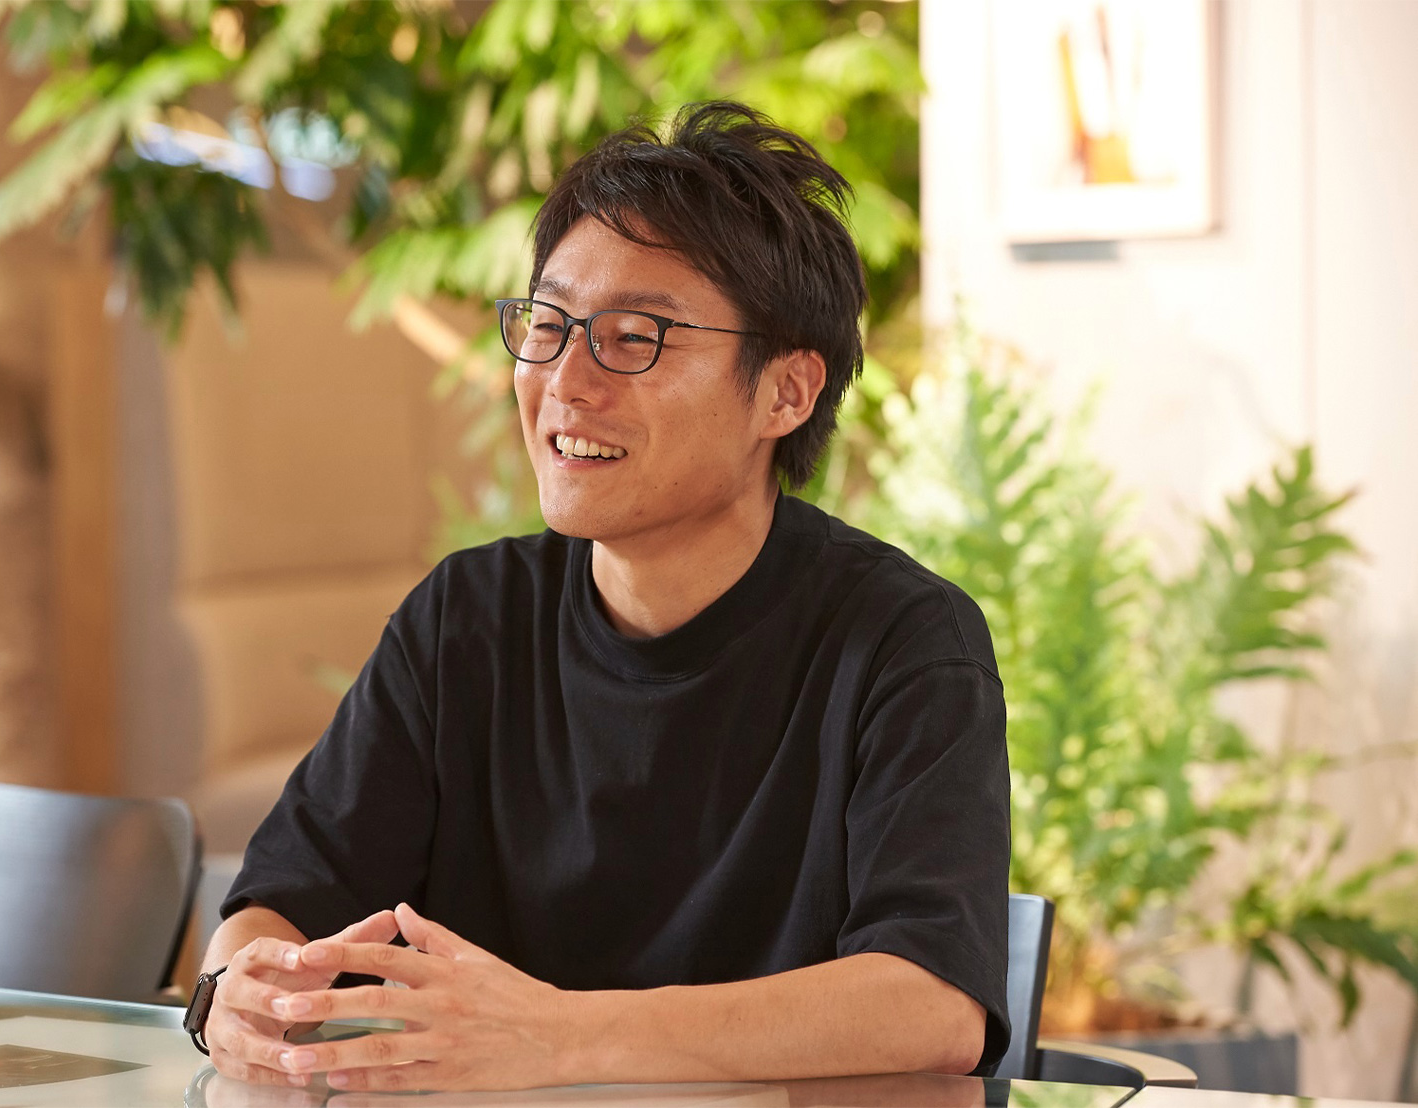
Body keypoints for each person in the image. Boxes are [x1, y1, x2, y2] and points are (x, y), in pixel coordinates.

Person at [195, 101, 1011, 1093]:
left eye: (635, 338)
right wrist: (239, 990)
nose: (566, 382)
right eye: (547, 326)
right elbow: (279, 901)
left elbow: (931, 1004)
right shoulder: (465, 618)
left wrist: (563, 1036)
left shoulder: (901, 640)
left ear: (786, 392)